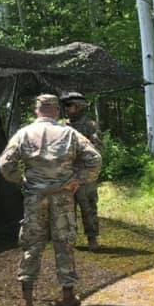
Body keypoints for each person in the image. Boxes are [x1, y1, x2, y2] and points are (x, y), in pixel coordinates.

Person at [0, 93, 102, 306]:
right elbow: (95, 160)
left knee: (32, 244)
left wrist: (23, 181)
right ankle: (67, 296)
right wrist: (77, 180)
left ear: (37, 110)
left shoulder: (23, 134)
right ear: (56, 111)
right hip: (62, 196)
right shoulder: (69, 133)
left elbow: (6, 164)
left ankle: (27, 298)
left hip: (35, 197)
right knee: (64, 243)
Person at [62, 91, 103, 252]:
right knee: (66, 209)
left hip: (85, 176)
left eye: (69, 105)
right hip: (66, 175)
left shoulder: (90, 125)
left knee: (88, 207)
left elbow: (98, 149)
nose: (66, 109)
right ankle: (69, 239)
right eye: (65, 106)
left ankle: (92, 238)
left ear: (79, 107)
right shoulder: (61, 126)